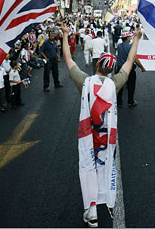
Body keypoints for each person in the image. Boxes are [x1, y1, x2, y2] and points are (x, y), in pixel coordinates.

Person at [60, 22, 143, 228]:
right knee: (103, 167)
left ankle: (92, 212)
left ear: (97, 66)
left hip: (88, 135)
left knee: (88, 168)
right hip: (106, 138)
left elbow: (68, 58)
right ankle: (102, 200)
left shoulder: (84, 82)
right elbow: (130, 61)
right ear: (111, 69)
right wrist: (137, 39)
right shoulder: (114, 84)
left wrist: (64, 34)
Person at [116, 32, 146, 108]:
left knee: (120, 86)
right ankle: (130, 101)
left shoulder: (119, 46)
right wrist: (142, 67)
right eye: (129, 37)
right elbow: (135, 59)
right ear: (127, 38)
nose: (130, 38)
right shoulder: (130, 47)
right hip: (129, 69)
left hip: (120, 68)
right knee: (131, 86)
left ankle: (119, 102)